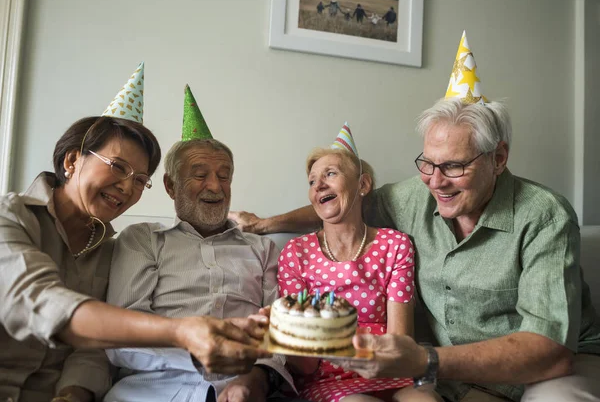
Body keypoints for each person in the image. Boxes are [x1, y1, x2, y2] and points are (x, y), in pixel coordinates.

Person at [230, 32, 600, 402]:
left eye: (454, 166)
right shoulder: (410, 197)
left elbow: (550, 351)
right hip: (453, 376)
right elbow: (339, 206)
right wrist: (265, 224)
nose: (435, 182)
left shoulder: (545, 215)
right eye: (428, 163)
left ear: (498, 158)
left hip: (548, 367)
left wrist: (425, 359)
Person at [0, 67, 268, 402]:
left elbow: (92, 349)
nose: (127, 187)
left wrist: (73, 394)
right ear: (72, 160)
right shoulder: (9, 216)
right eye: (117, 167)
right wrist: (182, 332)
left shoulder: (106, 249)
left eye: (140, 179)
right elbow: (40, 301)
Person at [103, 86, 303, 402]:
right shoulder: (143, 239)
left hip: (244, 389)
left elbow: (278, 334)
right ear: (171, 185)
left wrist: (252, 381)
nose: (215, 186)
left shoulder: (262, 250)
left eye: (224, 176)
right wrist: (204, 353)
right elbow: (122, 336)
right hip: (151, 391)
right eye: (199, 175)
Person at [275, 123, 441, 402]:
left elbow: (400, 341)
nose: (319, 186)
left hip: (393, 372)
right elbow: (304, 362)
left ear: (362, 185)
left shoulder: (395, 245)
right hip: (327, 381)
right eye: (312, 181)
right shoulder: (296, 253)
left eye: (330, 174)